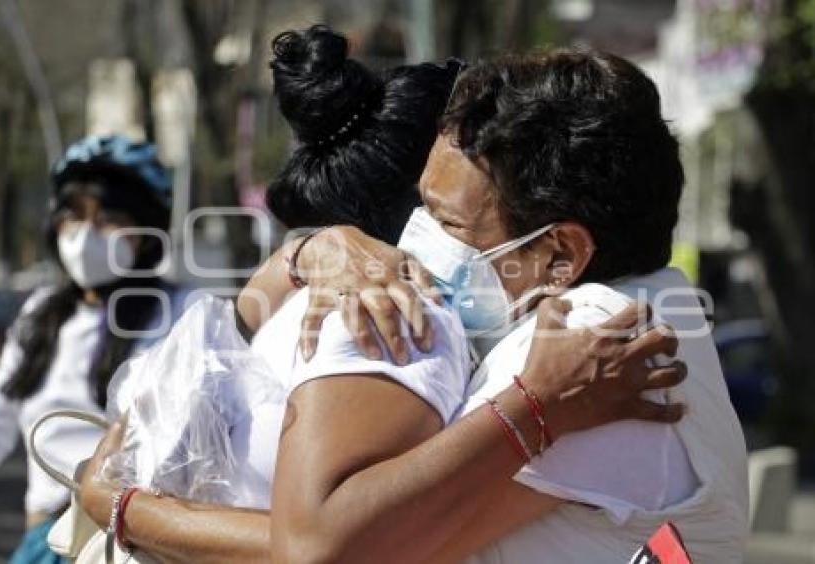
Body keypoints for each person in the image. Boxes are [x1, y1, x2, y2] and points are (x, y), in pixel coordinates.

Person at [78, 27, 686, 564]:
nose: (421, 244)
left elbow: (321, 545)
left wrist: (119, 505)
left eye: (445, 220)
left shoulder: (596, 345)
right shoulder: (397, 314)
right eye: (423, 209)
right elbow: (321, 547)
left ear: (561, 256)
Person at [0, 135, 187, 563]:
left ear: (146, 231)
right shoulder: (40, 314)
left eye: (109, 218)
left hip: (132, 549)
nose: (87, 233)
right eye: (74, 215)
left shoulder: (182, 313)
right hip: (42, 546)